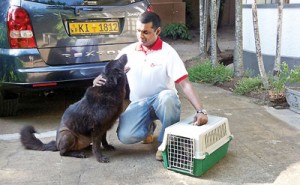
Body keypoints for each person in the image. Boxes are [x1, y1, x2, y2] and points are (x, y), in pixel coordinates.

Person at [93, 11, 208, 161]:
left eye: (146, 32)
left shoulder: (168, 53)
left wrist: (200, 110)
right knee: (125, 136)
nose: (141, 36)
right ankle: (148, 128)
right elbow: (110, 72)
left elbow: (184, 84)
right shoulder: (128, 52)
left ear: (157, 31)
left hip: (163, 103)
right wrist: (98, 79)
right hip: (138, 104)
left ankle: (166, 143)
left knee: (168, 98)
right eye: (138, 31)